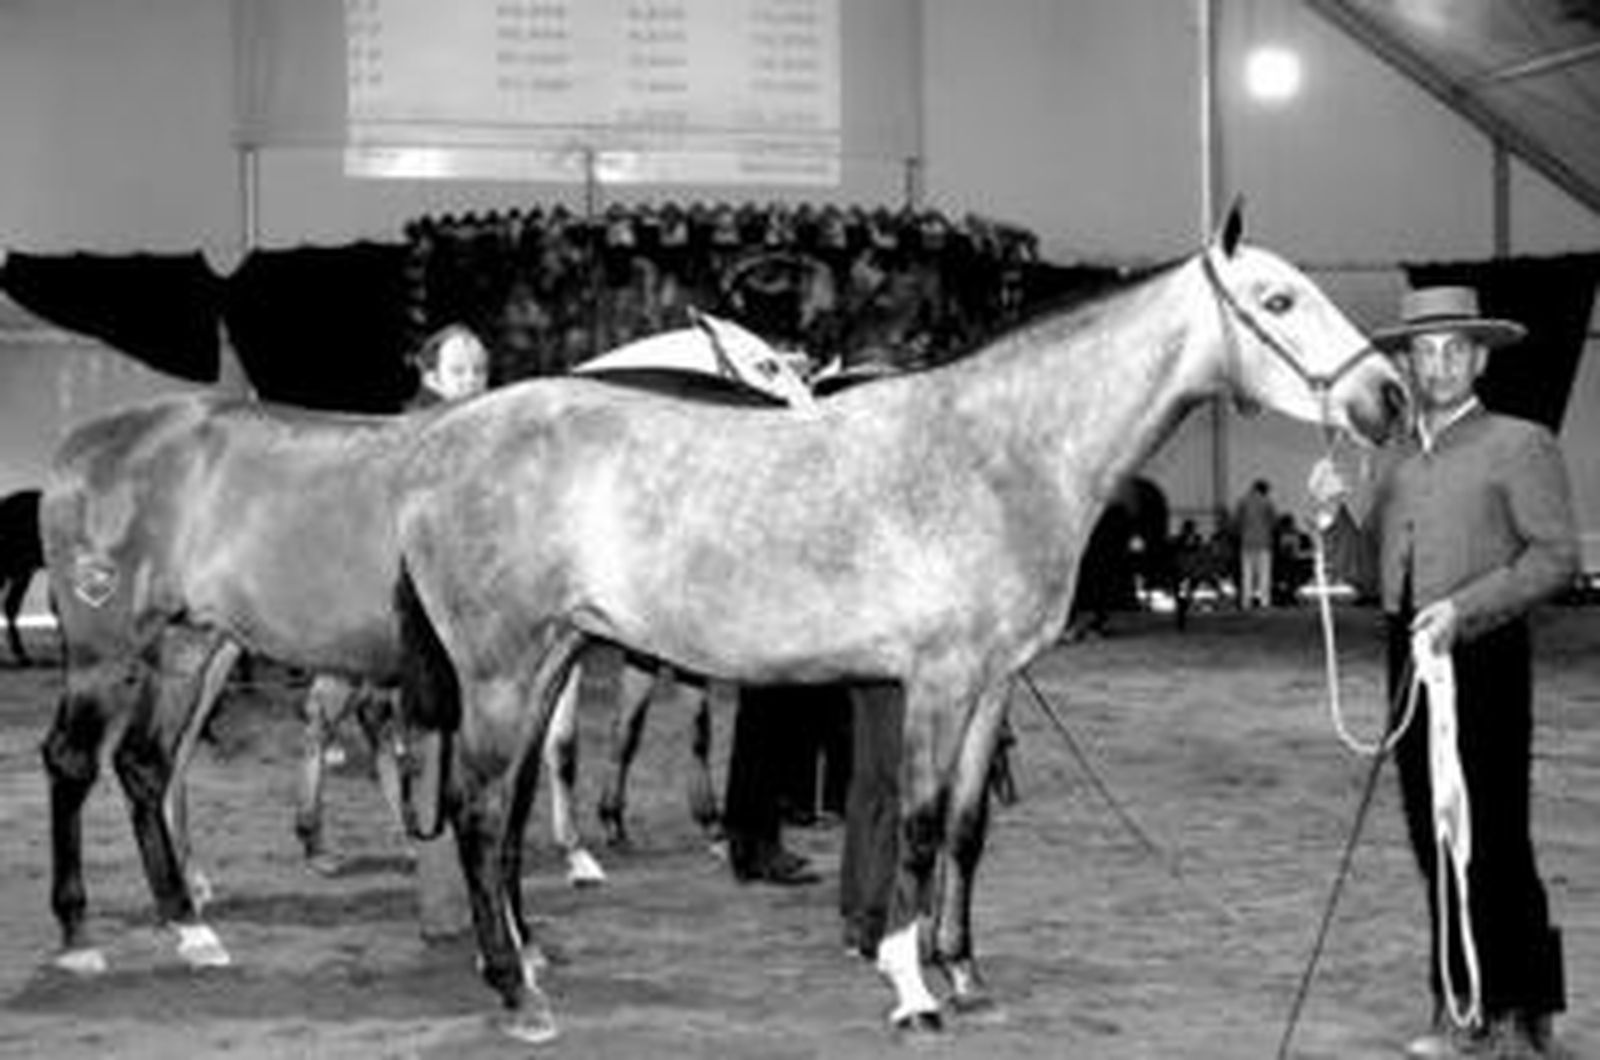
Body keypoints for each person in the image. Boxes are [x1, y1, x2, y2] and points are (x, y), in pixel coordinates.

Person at [1309, 285, 1578, 1059]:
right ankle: (1466, 1004)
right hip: (1408, 657)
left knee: (1492, 836)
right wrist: (1333, 522)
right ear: (1408, 364)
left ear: (1479, 356)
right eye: (1424, 353)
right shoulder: (1389, 457)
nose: (1439, 365)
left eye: (1454, 350)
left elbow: (1557, 556)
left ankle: (1513, 1011)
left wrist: (1465, 609)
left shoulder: (1520, 443)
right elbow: (1367, 576)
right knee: (1433, 840)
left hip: (1483, 654)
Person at [1233, 478, 1277, 609]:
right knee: (1264, 573)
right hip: (1264, 542)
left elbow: (1236, 521)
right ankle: (1265, 601)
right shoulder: (1267, 502)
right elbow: (1273, 521)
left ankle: (1246, 602)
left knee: (1247, 574)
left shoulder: (1242, 502)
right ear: (1264, 490)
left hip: (1246, 542)